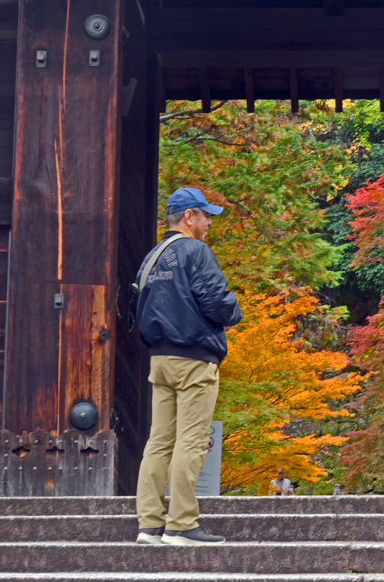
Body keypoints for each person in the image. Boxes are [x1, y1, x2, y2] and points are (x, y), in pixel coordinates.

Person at [134, 187, 243, 546]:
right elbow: (216, 301)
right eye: (206, 215)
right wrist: (233, 313)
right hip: (194, 358)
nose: (210, 223)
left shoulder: (152, 256)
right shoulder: (195, 251)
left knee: (159, 441)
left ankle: (149, 524)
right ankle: (181, 524)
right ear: (189, 216)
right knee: (192, 441)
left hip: (160, 359)